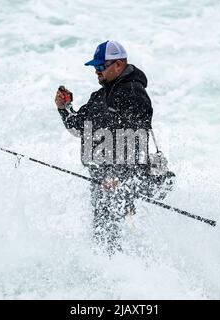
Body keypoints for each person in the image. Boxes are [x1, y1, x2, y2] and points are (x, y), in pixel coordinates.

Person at [55, 40, 153, 255]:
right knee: (104, 240)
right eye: (95, 67)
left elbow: (139, 137)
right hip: (102, 181)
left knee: (127, 240)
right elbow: (79, 127)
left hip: (125, 183)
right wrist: (64, 108)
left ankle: (142, 279)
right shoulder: (99, 96)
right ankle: (109, 278)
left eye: (101, 67)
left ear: (118, 65)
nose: (96, 72)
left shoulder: (134, 92)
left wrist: (123, 177)